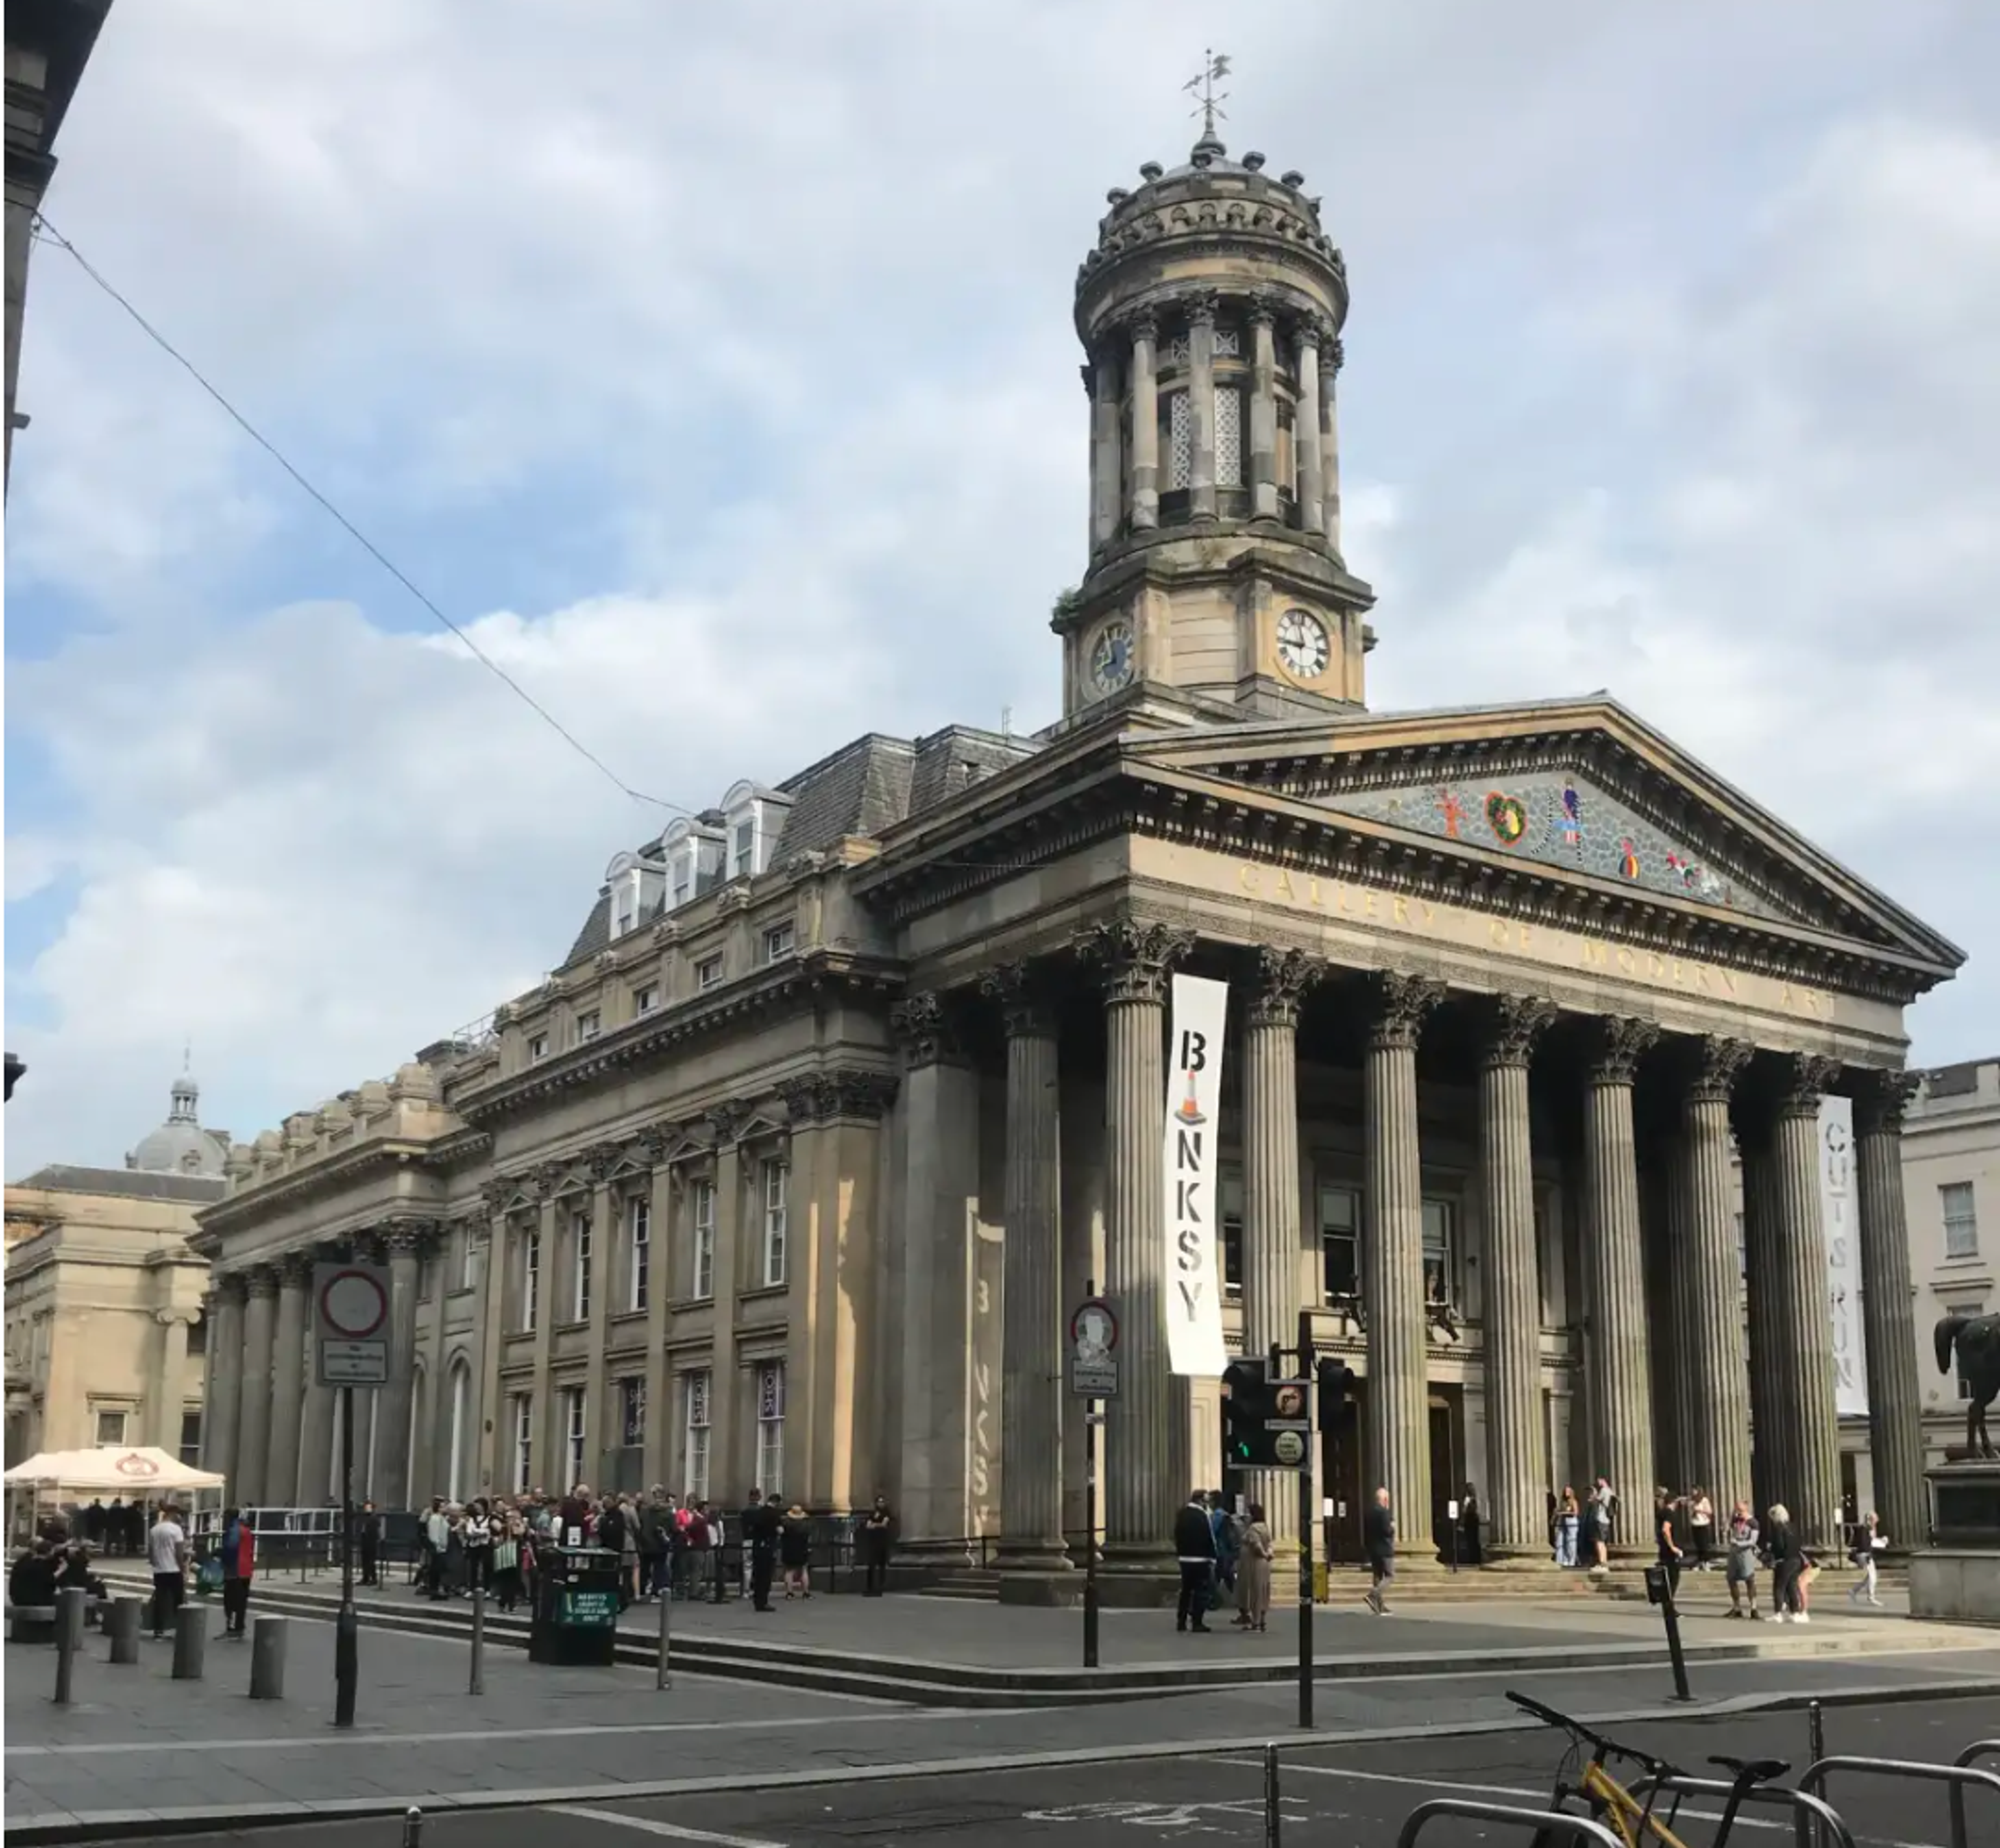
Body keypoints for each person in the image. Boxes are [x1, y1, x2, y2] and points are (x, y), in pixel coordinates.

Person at [1172, 1490, 1217, 1634]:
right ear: (1200, 1501)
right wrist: (1213, 1557)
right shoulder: (1203, 1515)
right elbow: (1209, 1537)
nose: (1207, 1504)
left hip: (1184, 1558)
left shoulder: (1182, 1513)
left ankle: (1181, 1621)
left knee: (1186, 1591)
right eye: (1206, 1501)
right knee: (1200, 1591)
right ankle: (1197, 1622)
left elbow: (1176, 1534)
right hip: (1201, 1559)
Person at [147, 1503, 189, 1640]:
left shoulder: (154, 1530)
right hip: (174, 1570)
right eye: (178, 1514)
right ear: (173, 1513)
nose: (180, 1517)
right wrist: (183, 1569)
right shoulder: (176, 1529)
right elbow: (179, 1552)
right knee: (178, 1601)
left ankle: (158, 1631)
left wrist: (157, 1564)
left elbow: (151, 1553)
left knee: (160, 1600)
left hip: (159, 1570)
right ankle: (180, 1629)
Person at [1234, 1502, 1273, 1632]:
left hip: (1254, 1563)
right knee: (1263, 1591)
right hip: (1264, 1564)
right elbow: (1269, 1544)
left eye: (1249, 1514)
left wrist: (1263, 1554)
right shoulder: (1265, 1527)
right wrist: (1269, 1555)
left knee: (1255, 1592)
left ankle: (1255, 1622)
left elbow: (1256, 1546)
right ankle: (1262, 1620)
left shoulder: (1253, 1529)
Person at [1766, 1503, 1806, 1623]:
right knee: (1792, 1587)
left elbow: (1779, 1546)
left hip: (1784, 1560)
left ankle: (1778, 1613)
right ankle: (1795, 1613)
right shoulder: (1793, 1527)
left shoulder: (1779, 1528)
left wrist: (1771, 1549)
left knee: (1779, 1587)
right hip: (1796, 1560)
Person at [1723, 1501, 1763, 1619]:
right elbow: (1725, 1529)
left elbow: (1753, 1541)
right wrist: (1731, 1517)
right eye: (1737, 1510)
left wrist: (1740, 1543)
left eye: (1741, 1510)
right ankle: (1737, 1608)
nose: (1738, 1513)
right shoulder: (1735, 1520)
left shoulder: (1753, 1523)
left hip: (1746, 1553)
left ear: (1746, 1509)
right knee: (1731, 1579)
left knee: (1749, 1580)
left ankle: (1754, 1608)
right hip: (1734, 1553)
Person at [742, 1489, 779, 1611]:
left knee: (749, 1569)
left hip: (751, 1542)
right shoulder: (769, 1513)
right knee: (765, 1574)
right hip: (766, 1546)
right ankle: (762, 1600)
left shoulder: (746, 1511)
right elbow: (777, 1530)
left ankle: (747, 1592)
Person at [1364, 1486, 1396, 1615]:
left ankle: (1379, 1606)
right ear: (1385, 1499)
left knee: (1378, 1576)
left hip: (1373, 1549)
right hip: (1385, 1550)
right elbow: (1387, 1531)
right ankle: (1373, 1595)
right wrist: (1392, 1527)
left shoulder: (1369, 1512)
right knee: (1390, 1575)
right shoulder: (1384, 1513)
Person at [858, 1495, 895, 1597]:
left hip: (883, 1542)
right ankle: (870, 1587)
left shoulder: (887, 1513)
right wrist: (876, 1525)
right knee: (871, 1564)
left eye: (882, 1501)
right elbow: (868, 1525)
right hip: (873, 1542)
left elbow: (884, 1524)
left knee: (882, 1565)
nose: (881, 1503)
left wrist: (875, 1525)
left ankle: (880, 1586)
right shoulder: (873, 1513)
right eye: (879, 1502)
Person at [1848, 1511, 1886, 1607]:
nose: (1877, 1521)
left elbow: (1870, 1542)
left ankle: (1854, 1591)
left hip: (1866, 1554)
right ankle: (1871, 1597)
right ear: (1871, 1519)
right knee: (1872, 1577)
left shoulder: (1868, 1528)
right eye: (1875, 1519)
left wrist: (1881, 1541)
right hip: (1865, 1555)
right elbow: (1864, 1544)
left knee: (1870, 1577)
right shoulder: (1865, 1529)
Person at [1654, 1488, 1683, 1600]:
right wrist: (1673, 1547)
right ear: (1674, 1502)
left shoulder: (1662, 1512)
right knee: (1673, 1579)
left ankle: (1668, 1605)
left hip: (1663, 1549)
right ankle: (1670, 1605)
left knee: (1667, 1579)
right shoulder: (1669, 1513)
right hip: (1670, 1552)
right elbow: (1666, 1530)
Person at [1688, 1487, 1715, 1570]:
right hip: (1695, 1524)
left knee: (1704, 1545)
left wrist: (1700, 1510)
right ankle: (1700, 1562)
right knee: (1698, 1544)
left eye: (1694, 1490)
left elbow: (1710, 1512)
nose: (1693, 1492)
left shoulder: (1704, 1500)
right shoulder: (1691, 1501)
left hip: (1703, 1523)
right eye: (1692, 1490)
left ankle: (1706, 1562)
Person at [1554, 1486, 1580, 1568]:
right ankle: (1562, 1560)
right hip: (1563, 1522)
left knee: (1571, 1542)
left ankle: (1571, 1560)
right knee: (1561, 1541)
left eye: (1568, 1491)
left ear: (1572, 1492)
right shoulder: (1563, 1502)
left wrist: (1563, 1513)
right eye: (1565, 1491)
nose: (1567, 1492)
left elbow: (1576, 1513)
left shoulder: (1574, 1501)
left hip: (1572, 1522)